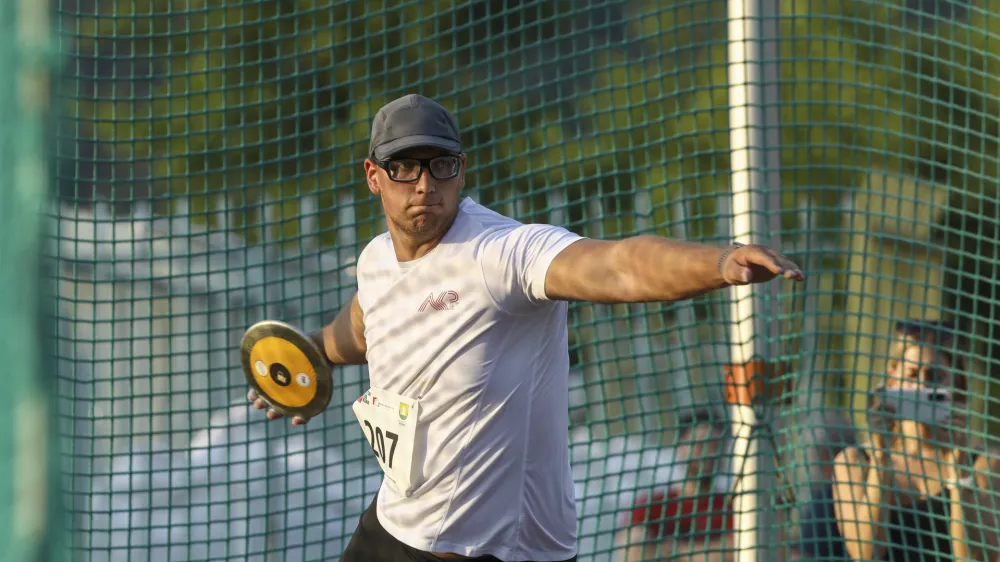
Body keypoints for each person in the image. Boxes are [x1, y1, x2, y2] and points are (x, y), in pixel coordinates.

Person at [246, 93, 805, 562]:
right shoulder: (375, 261)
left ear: (460, 168)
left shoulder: (501, 253)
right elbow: (367, 326)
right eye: (404, 167)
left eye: (440, 165)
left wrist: (716, 263)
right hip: (397, 526)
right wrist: (306, 358)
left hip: (500, 552)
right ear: (374, 176)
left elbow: (618, 265)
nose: (423, 184)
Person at [800, 319, 1000, 561]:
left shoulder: (984, 466)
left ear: (956, 385)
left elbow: (978, 558)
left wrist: (958, 467)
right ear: (893, 379)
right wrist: (881, 455)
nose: (922, 385)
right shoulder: (855, 462)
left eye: (935, 375)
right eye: (912, 374)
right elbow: (866, 553)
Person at [614, 409, 735, 562]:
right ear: (680, 447)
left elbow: (735, 551)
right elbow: (632, 552)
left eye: (716, 446)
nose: (709, 453)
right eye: (700, 444)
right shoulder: (653, 506)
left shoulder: (731, 507)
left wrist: (674, 552)